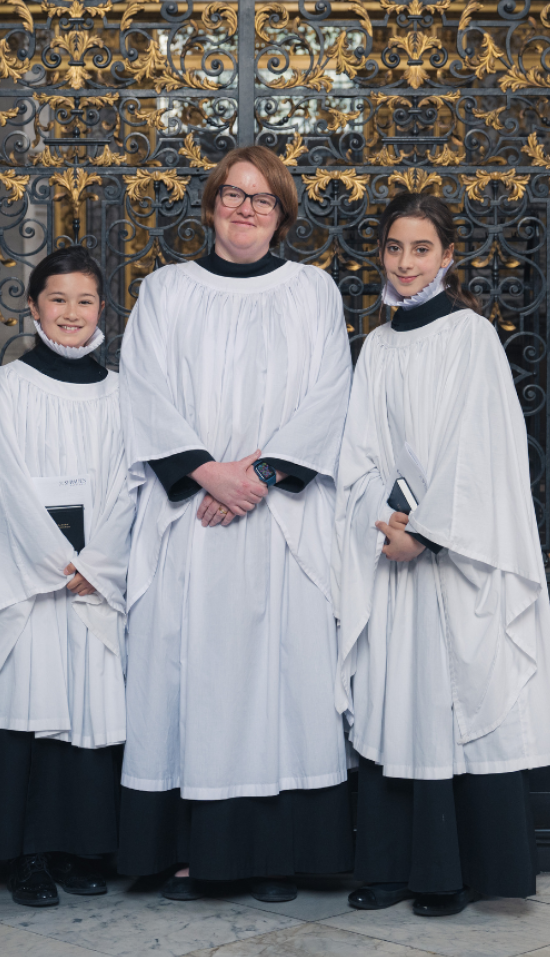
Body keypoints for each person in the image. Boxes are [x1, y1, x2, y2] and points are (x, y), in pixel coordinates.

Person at [116, 145, 354, 903]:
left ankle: (275, 856)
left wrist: (259, 476)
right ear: (212, 203)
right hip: (192, 522)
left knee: (280, 686)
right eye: (233, 195)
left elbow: (329, 393)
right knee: (196, 683)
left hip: (279, 520)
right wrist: (204, 472)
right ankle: (195, 854)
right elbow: (145, 392)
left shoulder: (312, 292)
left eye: (262, 199)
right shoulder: (165, 290)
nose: (245, 209)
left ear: (282, 215)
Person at [333, 193, 550, 917]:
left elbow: (483, 451)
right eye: (395, 249)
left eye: (422, 250)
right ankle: (387, 867)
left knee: (450, 701)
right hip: (392, 553)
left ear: (448, 257)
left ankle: (450, 874)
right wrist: (381, 518)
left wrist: (427, 531)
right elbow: (357, 451)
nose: (406, 264)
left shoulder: (471, 336)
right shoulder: (377, 345)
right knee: (392, 700)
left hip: (450, 555)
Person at [0, 247, 135, 908]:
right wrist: (57, 564)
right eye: (58, 300)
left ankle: (80, 848)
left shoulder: (121, 394)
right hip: (27, 583)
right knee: (31, 713)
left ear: (102, 308)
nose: (71, 314)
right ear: (33, 306)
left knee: (85, 718)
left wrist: (98, 564)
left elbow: (133, 488)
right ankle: (26, 856)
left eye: (84, 301)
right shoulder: (9, 389)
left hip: (93, 581)